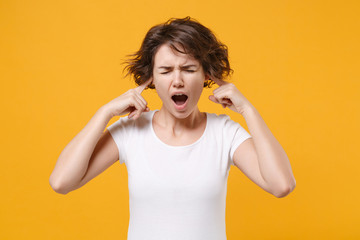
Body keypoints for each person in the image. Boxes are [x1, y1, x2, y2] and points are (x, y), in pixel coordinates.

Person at [49, 16, 296, 240]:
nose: (177, 81)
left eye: (189, 69)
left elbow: (281, 185)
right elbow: (62, 182)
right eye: (166, 71)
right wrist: (104, 113)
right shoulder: (132, 130)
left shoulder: (224, 133)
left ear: (206, 76)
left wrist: (248, 111)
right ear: (152, 79)